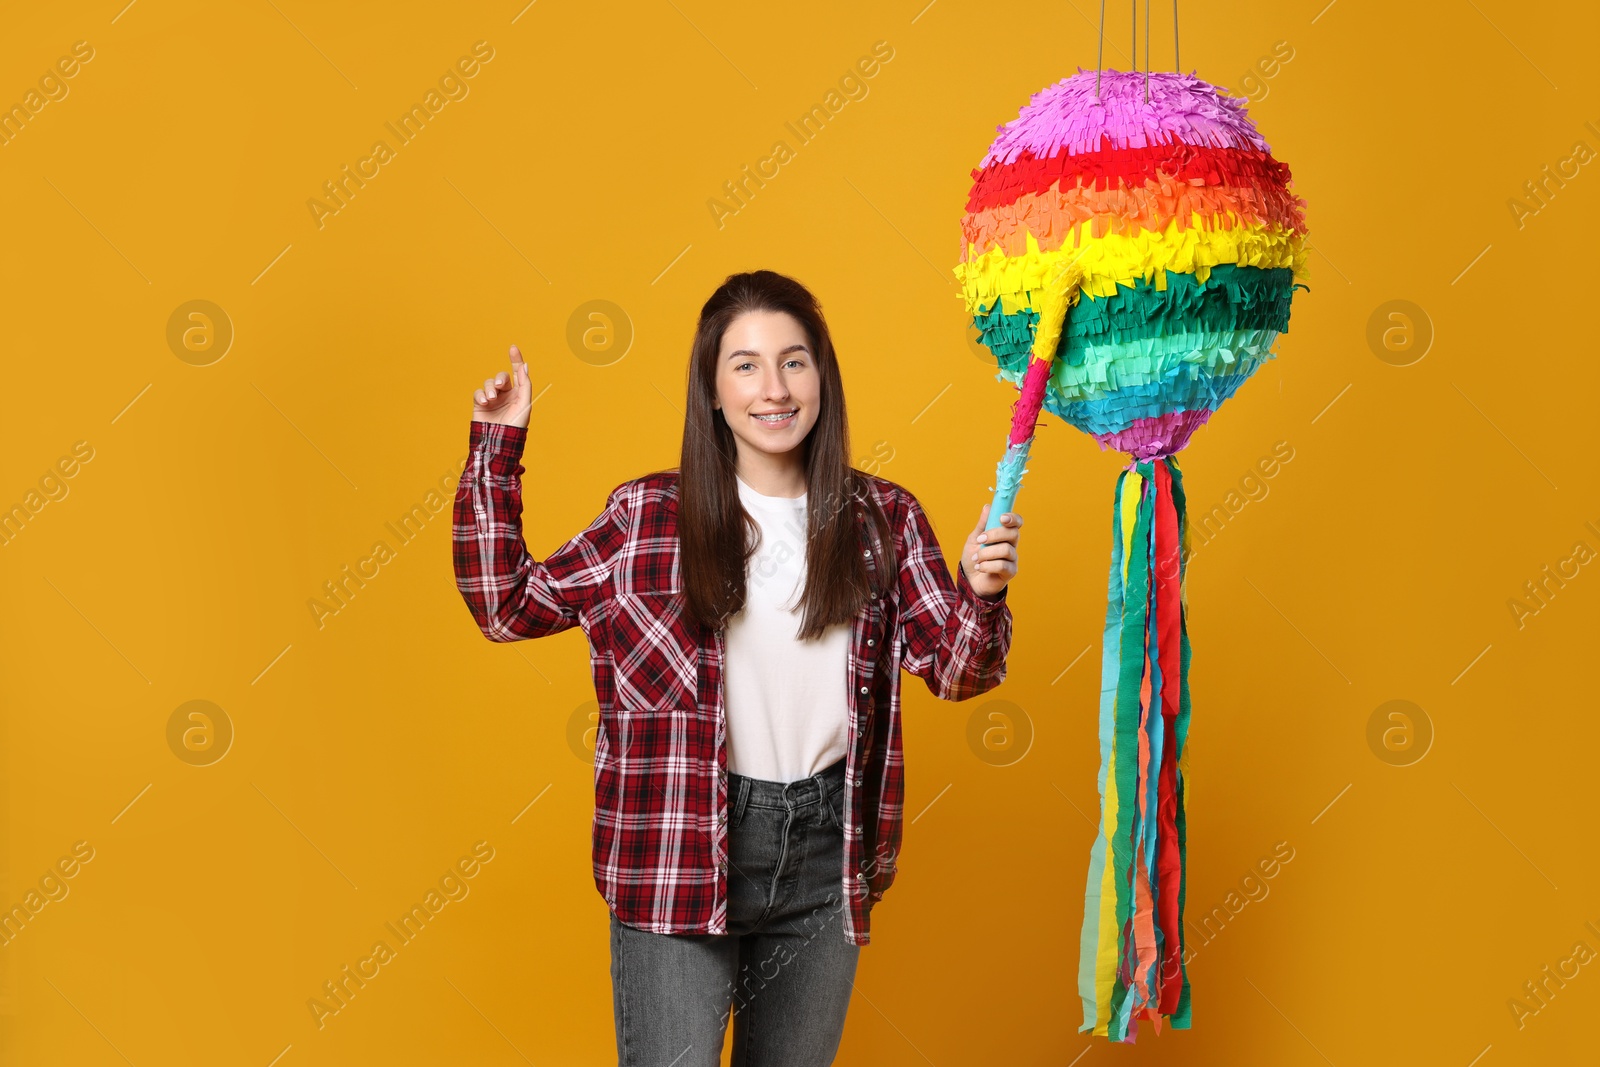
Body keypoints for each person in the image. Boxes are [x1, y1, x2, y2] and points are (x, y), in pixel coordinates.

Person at [452, 270, 1022, 1066]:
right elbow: (506, 604)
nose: (774, 387)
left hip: (828, 853)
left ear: (822, 377)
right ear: (712, 391)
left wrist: (982, 589)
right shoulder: (646, 516)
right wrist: (497, 447)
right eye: (746, 365)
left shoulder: (880, 519)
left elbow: (961, 669)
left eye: (794, 361)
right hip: (676, 845)